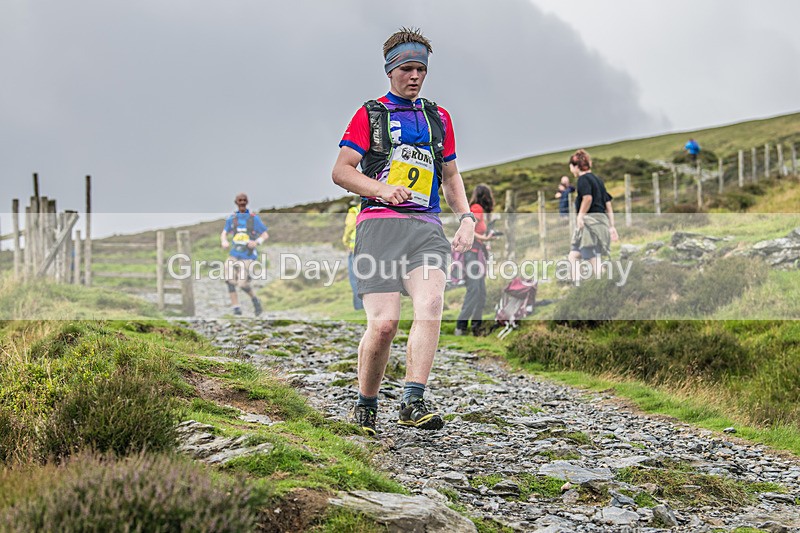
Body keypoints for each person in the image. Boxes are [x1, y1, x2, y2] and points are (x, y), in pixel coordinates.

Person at [331, 27, 475, 436]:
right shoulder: (369, 115)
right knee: (384, 324)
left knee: (430, 304)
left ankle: (413, 399)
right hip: (378, 227)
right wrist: (380, 189)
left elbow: (450, 175)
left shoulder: (438, 117)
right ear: (390, 70)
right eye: (407, 69)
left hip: (426, 228)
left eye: (421, 70)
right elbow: (341, 171)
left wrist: (466, 218)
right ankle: (366, 402)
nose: (415, 76)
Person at [567, 150, 618, 282]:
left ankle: (604, 288)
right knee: (574, 256)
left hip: (590, 225)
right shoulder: (598, 180)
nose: (571, 170)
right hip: (601, 224)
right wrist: (612, 226)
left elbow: (587, 198)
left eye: (571, 167)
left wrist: (580, 216)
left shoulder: (583, 180)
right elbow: (608, 205)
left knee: (593, 261)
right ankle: (578, 288)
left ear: (576, 166)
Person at [455, 184, 495, 336]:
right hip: (470, 255)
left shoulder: (479, 210)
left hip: (476, 253)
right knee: (474, 290)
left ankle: (476, 327)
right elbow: (469, 228)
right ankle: (461, 326)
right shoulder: (477, 208)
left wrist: (484, 243)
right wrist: (484, 238)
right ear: (486, 195)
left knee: (481, 292)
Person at [220, 193, 268, 316]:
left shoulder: (253, 218)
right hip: (234, 254)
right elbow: (224, 232)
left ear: (247, 202)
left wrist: (257, 242)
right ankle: (236, 308)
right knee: (229, 280)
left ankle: (255, 300)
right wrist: (224, 241)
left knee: (242, 283)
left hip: (248, 255)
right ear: (236, 202)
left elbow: (265, 234)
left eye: (244, 200)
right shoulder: (232, 219)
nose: (242, 202)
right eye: (239, 200)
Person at [342, 197, 364, 311]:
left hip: (355, 249)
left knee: (356, 281)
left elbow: (349, 228)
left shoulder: (354, 211)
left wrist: (345, 241)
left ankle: (360, 309)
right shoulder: (371, 209)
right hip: (371, 248)